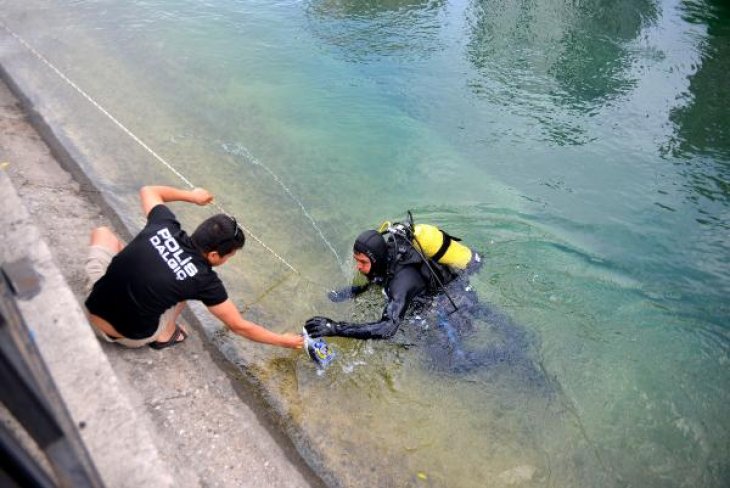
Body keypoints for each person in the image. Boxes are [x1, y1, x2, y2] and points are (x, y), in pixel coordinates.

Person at [84, 185, 303, 350]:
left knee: (103, 233)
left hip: (91, 307)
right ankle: (165, 336)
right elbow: (239, 326)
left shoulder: (164, 224)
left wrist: (192, 196)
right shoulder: (204, 281)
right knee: (182, 292)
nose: (229, 259)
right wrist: (284, 341)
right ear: (215, 255)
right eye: (230, 255)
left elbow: (148, 190)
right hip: (127, 336)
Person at [304, 217, 483, 341]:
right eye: (356, 261)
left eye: (363, 262)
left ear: (376, 259)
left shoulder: (402, 282)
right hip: (436, 288)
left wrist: (336, 329)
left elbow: (388, 328)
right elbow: (375, 277)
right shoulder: (384, 258)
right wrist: (350, 292)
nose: (358, 267)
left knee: (446, 364)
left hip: (451, 301)